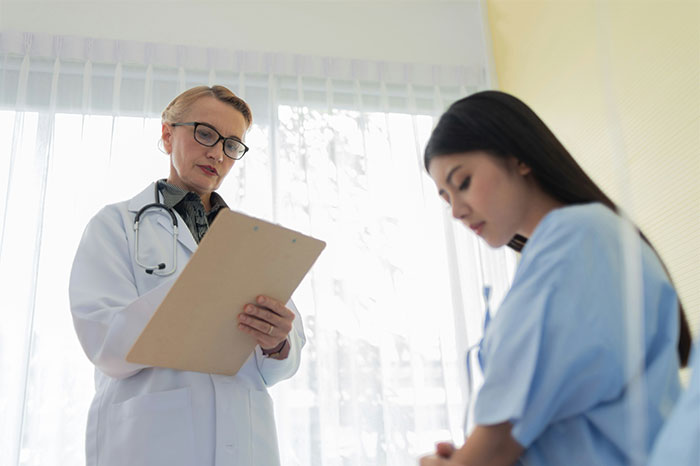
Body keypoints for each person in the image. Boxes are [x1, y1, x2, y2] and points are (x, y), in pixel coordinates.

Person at [418, 90, 692, 466]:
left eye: (462, 182)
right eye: (446, 198)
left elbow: (500, 440)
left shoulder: (577, 239)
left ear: (518, 158)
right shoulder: (581, 241)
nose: (457, 211)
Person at [69, 85, 305, 466]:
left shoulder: (253, 242)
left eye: (232, 144)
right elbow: (104, 345)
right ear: (167, 134)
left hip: (245, 442)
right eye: (206, 134)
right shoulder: (115, 225)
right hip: (151, 441)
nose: (217, 152)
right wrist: (197, 287)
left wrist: (278, 342)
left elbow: (282, 362)